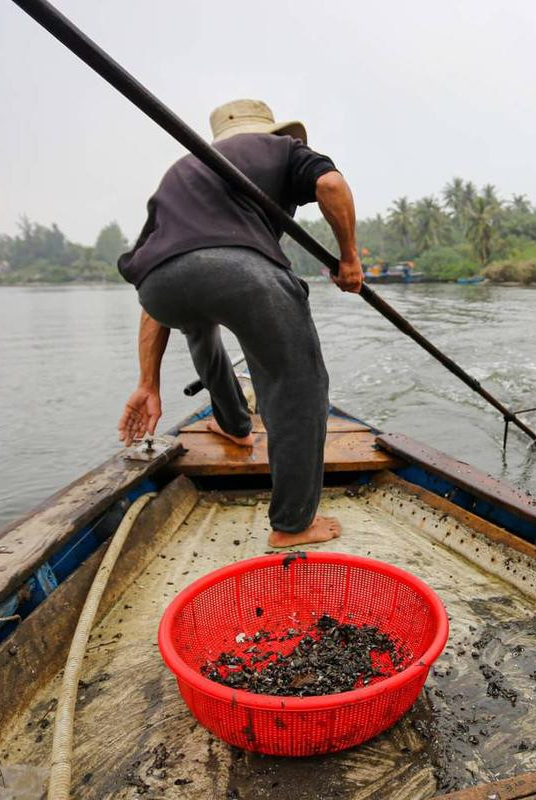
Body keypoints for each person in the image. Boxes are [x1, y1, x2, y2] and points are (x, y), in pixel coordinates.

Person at [115, 98, 364, 548]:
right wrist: (349, 259)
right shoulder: (284, 149)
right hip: (246, 275)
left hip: (157, 288)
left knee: (196, 323)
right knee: (297, 384)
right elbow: (330, 184)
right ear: (272, 131)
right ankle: (293, 524)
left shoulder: (181, 170)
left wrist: (147, 383)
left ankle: (233, 423)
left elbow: (160, 283)